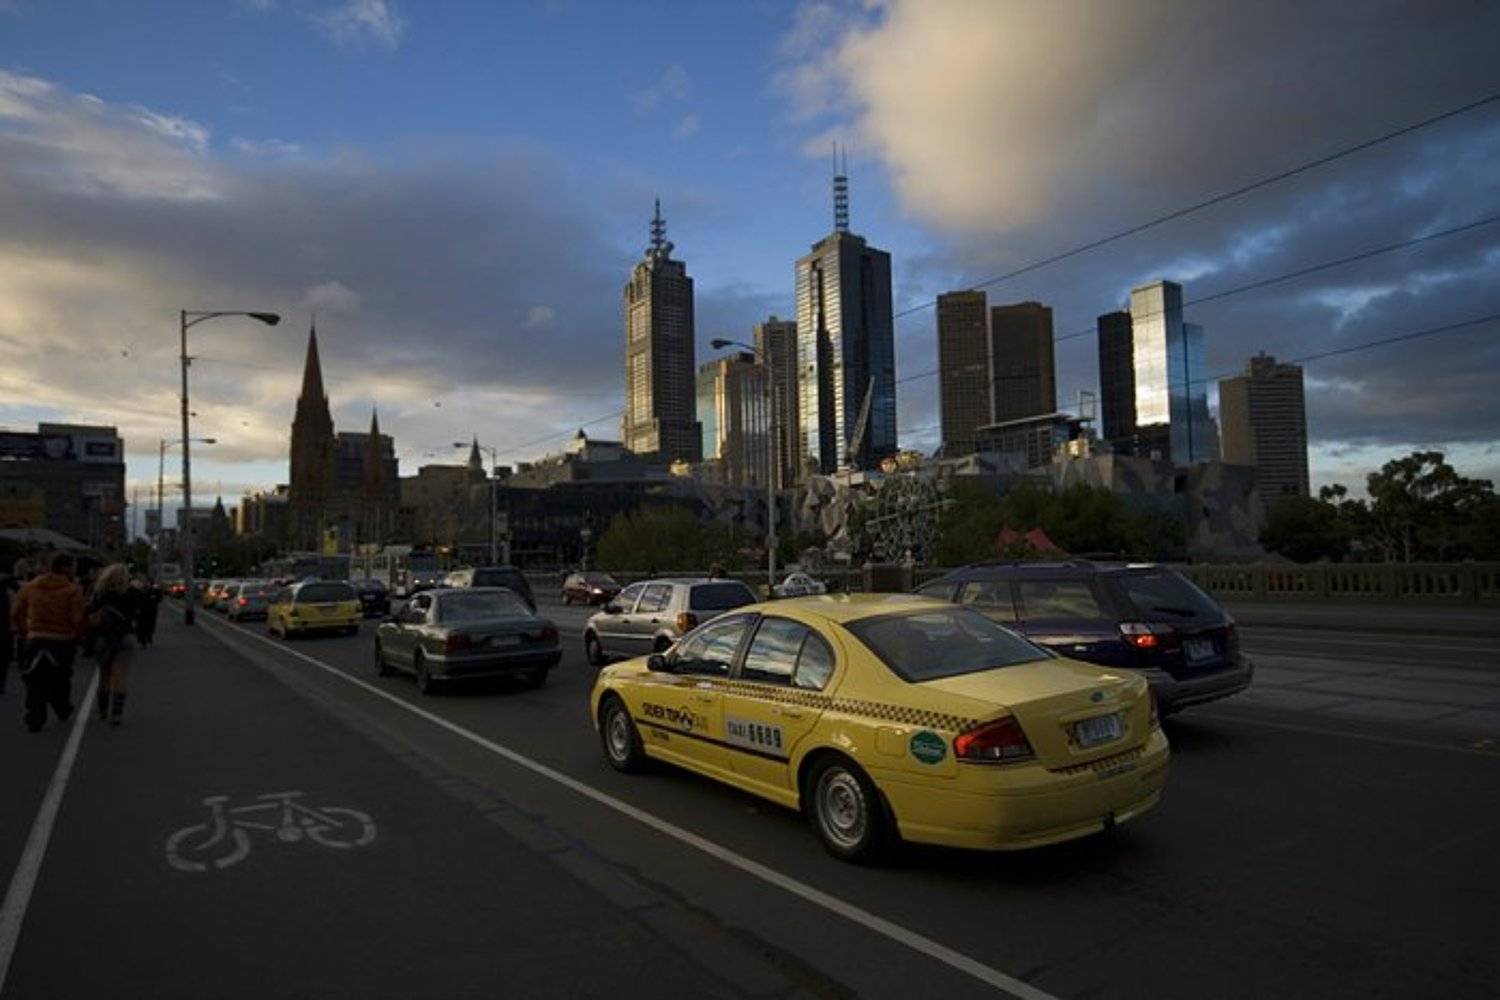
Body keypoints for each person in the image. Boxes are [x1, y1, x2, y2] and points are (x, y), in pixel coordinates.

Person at [11, 551, 86, 732]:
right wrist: (79, 635)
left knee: (33, 679)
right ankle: (62, 707)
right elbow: (77, 618)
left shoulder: (30, 587)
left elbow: (16, 612)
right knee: (61, 677)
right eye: (73, 567)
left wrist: (24, 630)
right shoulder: (72, 590)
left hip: (35, 638)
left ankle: (34, 716)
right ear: (66, 568)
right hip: (62, 640)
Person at [88, 564, 139, 726]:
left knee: (104, 675)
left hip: (104, 637)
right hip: (125, 635)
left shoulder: (100, 594)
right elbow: (140, 612)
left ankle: (102, 711)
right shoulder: (132, 594)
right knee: (120, 676)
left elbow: (89, 612)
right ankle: (116, 714)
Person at [0, 558, 26, 697]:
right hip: (6, 627)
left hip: (6, 625)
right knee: (3, 657)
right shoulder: (12, 585)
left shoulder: (12, 585)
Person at [134, 576, 162, 648]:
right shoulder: (139, 591)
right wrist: (137, 609)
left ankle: (148, 638)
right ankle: (143, 642)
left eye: (147, 582)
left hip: (151, 612)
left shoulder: (154, 590)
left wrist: (155, 598)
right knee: (141, 627)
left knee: (150, 626)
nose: (145, 583)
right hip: (142, 612)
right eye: (144, 582)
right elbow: (136, 600)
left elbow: (159, 598)